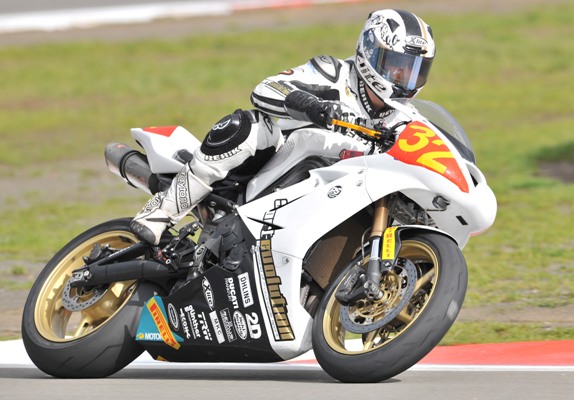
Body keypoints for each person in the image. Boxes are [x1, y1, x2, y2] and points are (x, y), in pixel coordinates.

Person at [130, 8, 436, 245]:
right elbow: (265, 89)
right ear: (369, 51)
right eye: (397, 66)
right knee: (250, 125)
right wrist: (313, 106)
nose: (404, 78)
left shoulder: (406, 120)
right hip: (272, 174)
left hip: (329, 211)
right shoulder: (333, 74)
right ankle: (162, 210)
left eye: (414, 70)